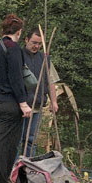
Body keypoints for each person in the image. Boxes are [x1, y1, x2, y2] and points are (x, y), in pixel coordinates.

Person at [0, 14, 33, 183]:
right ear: (19, 32)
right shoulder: (13, 48)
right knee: (5, 144)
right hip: (7, 103)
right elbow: (16, 77)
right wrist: (23, 103)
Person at [20, 28, 59, 157]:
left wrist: (54, 102)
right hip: (20, 106)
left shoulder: (45, 59)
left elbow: (51, 82)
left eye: (39, 44)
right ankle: (13, 171)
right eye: (33, 42)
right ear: (26, 40)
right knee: (17, 140)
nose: (36, 46)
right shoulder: (18, 55)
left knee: (31, 140)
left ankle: (29, 168)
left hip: (37, 106)